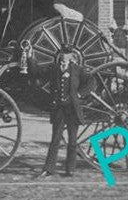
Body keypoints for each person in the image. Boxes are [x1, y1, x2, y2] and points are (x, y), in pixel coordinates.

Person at [36, 50, 96, 179]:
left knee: (72, 141)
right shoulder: (54, 70)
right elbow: (37, 73)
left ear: (70, 60)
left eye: (65, 60)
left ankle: (70, 170)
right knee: (55, 140)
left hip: (73, 110)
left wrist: (80, 94)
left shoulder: (77, 70)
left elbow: (92, 82)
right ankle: (49, 169)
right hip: (59, 110)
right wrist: (29, 56)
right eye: (61, 60)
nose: (62, 62)